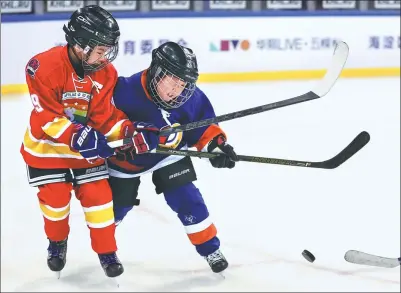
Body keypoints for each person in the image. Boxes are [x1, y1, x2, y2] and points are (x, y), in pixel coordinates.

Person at [20, 5, 152, 278]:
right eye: (102, 49)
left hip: (85, 149)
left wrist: (128, 132)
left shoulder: (105, 73)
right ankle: (56, 243)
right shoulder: (41, 67)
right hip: (47, 149)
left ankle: (107, 251)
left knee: (100, 200)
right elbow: (47, 117)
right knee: (54, 202)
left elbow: (104, 117)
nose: (107, 56)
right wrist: (77, 135)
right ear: (81, 45)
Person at [107, 41, 239, 274]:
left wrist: (216, 148)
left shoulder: (191, 97)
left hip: (168, 155)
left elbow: (204, 127)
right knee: (117, 208)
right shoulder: (124, 91)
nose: (176, 91)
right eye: (172, 81)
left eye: (183, 84)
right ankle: (105, 249)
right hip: (125, 164)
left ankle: (210, 249)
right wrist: (129, 133)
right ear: (157, 72)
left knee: (188, 199)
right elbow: (105, 125)